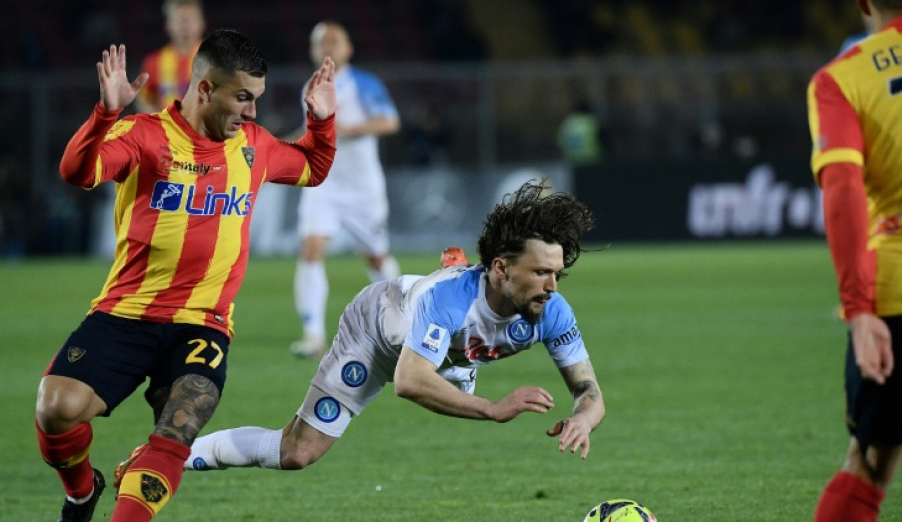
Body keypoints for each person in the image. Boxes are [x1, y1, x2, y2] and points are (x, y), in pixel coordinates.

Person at [35, 29, 337, 522]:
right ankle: (81, 492)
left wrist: (321, 120)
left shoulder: (254, 147)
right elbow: (77, 172)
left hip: (204, 322)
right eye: (242, 98)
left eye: (257, 100)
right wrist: (106, 114)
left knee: (181, 421)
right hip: (127, 312)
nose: (253, 113)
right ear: (204, 90)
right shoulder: (145, 136)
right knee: (54, 409)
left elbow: (313, 166)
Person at [177, 182, 606, 478]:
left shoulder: (552, 310)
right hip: (377, 329)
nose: (552, 286)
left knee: (454, 364)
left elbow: (590, 393)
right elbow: (409, 381)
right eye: (541, 273)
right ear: (501, 267)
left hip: (446, 348)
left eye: (556, 273)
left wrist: (584, 421)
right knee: (296, 453)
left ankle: (451, 306)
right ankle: (178, 455)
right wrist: (495, 409)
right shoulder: (451, 302)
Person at [806, 0, 902, 521]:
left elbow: (842, 190)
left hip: (893, 299)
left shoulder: (841, 78)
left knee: (868, 462)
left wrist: (860, 308)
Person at [286, 21, 401, 359]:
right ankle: (312, 334)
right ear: (312, 50)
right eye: (320, 42)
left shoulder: (364, 84)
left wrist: (345, 129)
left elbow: (389, 121)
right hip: (323, 183)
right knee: (310, 249)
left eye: (334, 41)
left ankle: (404, 317)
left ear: (348, 49)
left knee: (376, 257)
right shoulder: (310, 86)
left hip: (363, 189)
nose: (327, 47)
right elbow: (311, 131)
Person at [135, 0, 205, 113]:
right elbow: (144, 101)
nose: (185, 25)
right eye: (179, 19)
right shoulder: (153, 62)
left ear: (202, 23)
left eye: (190, 19)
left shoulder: (218, 60)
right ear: (167, 25)